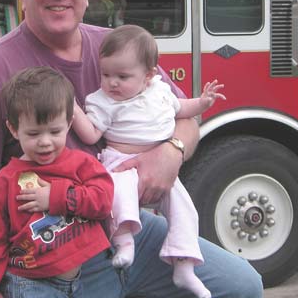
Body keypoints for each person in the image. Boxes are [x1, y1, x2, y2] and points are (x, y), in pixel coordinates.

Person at [0, 0, 263, 297]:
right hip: (49, 257)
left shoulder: (118, 50)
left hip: (131, 232)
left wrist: (170, 153)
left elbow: (185, 119)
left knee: (242, 286)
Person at [71, 24, 226, 298]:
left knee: (185, 211)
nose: (112, 83)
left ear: (149, 75)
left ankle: (184, 264)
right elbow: (91, 132)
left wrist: (203, 102)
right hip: (121, 159)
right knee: (119, 193)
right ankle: (124, 242)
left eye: (122, 76)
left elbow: (183, 110)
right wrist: (71, 109)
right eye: (105, 74)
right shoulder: (103, 101)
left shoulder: (160, 90)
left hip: (162, 167)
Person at [0, 67, 113, 298]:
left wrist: (55, 197)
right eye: (33, 134)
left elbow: (103, 200)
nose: (45, 142)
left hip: (80, 279)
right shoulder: (5, 183)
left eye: (54, 131)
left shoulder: (82, 164)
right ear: (13, 129)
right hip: (29, 284)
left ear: (69, 123)